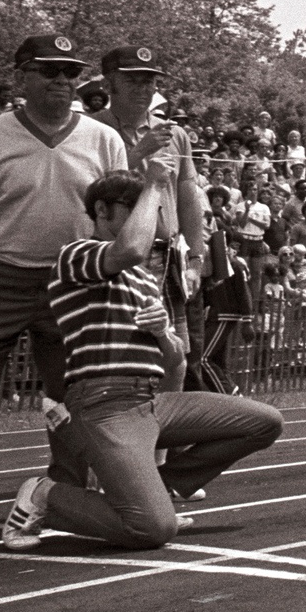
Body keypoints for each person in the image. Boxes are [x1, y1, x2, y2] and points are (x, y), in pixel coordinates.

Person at [0, 163, 283, 552]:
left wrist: (161, 333)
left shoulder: (143, 278)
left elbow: (171, 359)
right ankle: (45, 495)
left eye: (149, 209)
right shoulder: (75, 255)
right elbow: (130, 248)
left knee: (264, 422)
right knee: (152, 531)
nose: (147, 220)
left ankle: (158, 488)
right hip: (105, 404)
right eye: (134, 208)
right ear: (101, 211)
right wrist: (153, 185)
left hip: (149, 401)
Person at [0, 35, 128, 495]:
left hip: (72, 279)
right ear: (22, 74)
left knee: (72, 395)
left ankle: (67, 496)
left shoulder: (103, 139)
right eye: (50, 70)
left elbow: (119, 220)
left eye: (71, 73)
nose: (63, 81)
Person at [98, 47, 209, 389]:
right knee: (123, 354)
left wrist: (195, 258)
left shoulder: (174, 133)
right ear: (110, 82)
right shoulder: (93, 129)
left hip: (167, 257)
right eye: (133, 80)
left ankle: (167, 438)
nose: (143, 88)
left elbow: (189, 199)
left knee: (174, 355)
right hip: (119, 257)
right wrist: (136, 154)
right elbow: (93, 194)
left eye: (149, 80)